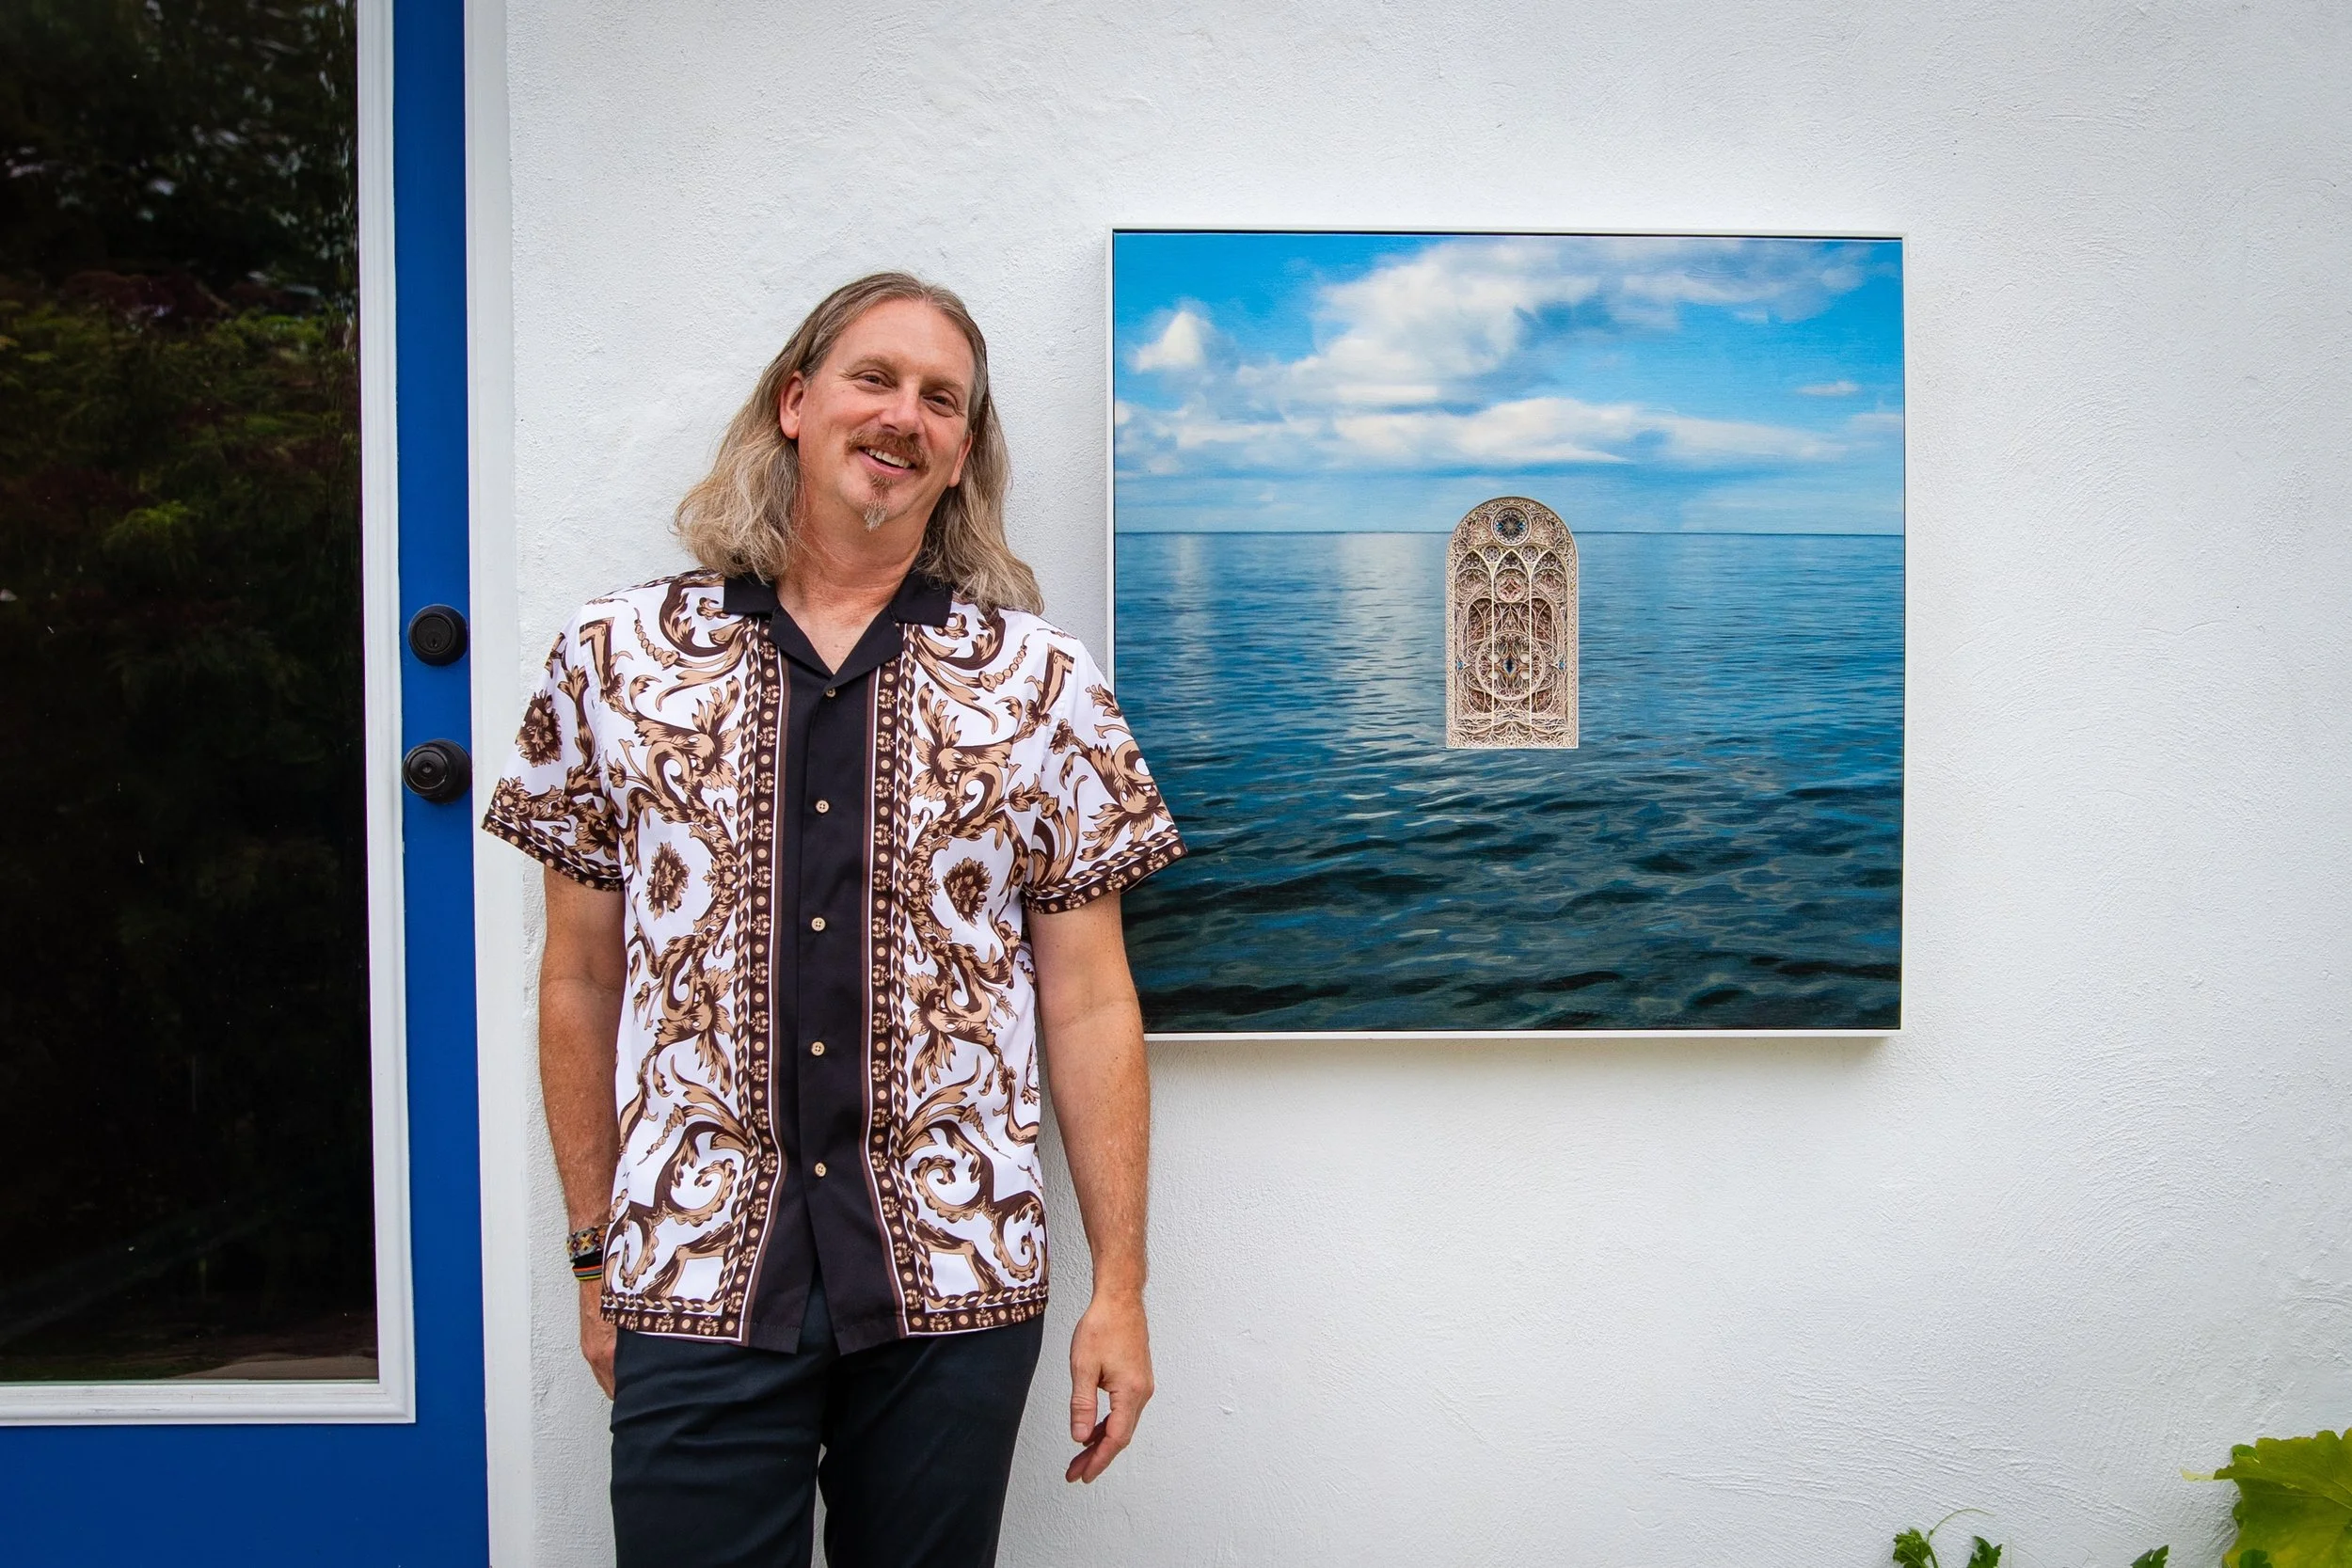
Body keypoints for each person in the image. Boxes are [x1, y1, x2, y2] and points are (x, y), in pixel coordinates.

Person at [483, 272, 1184, 1568]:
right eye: (875, 377)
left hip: (952, 1279)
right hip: (691, 1269)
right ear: (796, 403)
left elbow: (1089, 1001)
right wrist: (594, 1260)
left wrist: (1122, 1291)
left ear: (965, 451)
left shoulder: (1042, 688)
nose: (904, 414)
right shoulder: (613, 660)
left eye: (942, 398)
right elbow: (577, 979)